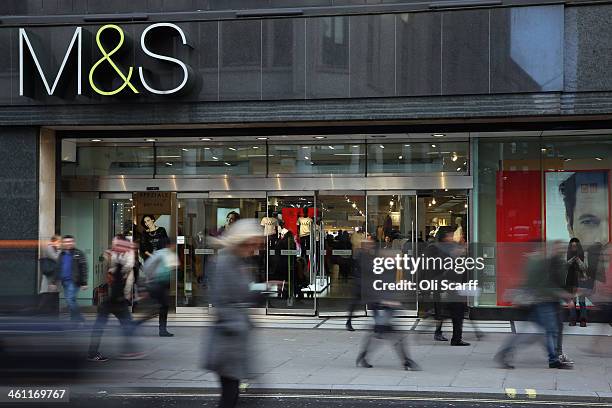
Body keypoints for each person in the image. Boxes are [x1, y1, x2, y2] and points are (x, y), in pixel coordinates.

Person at [203, 219, 266, 408]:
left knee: (233, 393)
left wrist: (264, 289)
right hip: (227, 342)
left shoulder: (237, 261)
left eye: (258, 244)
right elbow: (222, 302)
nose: (255, 249)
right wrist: (240, 321)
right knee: (230, 394)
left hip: (235, 341)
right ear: (242, 240)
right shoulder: (224, 261)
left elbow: (243, 292)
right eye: (252, 244)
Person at [495, 241, 574, 369]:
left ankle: (552, 358)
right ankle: (553, 359)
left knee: (543, 331)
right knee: (546, 331)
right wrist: (563, 294)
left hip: (538, 301)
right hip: (544, 301)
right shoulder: (541, 262)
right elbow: (543, 285)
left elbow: (529, 282)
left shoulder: (533, 261)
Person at [87, 235, 144, 362]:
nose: (114, 245)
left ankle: (129, 351)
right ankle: (94, 352)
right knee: (106, 326)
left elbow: (127, 267)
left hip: (117, 299)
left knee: (126, 325)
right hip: (111, 299)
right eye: (114, 243)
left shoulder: (123, 257)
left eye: (117, 243)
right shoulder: (113, 257)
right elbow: (114, 267)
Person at [424, 226, 470, 346]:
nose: (451, 237)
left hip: (452, 284)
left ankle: (454, 336)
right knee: (444, 309)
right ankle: (440, 331)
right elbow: (433, 266)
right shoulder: (434, 248)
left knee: (453, 310)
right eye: (449, 235)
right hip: (441, 284)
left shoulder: (452, 246)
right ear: (443, 237)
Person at [137, 238, 178, 337]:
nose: (174, 246)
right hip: (158, 284)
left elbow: (147, 266)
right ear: (168, 245)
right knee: (161, 307)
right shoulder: (163, 253)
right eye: (173, 244)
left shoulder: (161, 254)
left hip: (160, 284)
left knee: (161, 307)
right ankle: (137, 325)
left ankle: (162, 329)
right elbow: (148, 267)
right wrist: (152, 277)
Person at [53, 235, 88, 323]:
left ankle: (79, 317)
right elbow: (58, 267)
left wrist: (84, 282)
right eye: (66, 242)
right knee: (72, 300)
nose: (68, 243)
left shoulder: (78, 253)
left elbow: (84, 268)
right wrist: (53, 281)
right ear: (63, 243)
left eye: (70, 241)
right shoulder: (62, 254)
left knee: (69, 299)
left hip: (74, 281)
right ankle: (75, 320)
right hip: (64, 281)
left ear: (73, 242)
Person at [566, 238, 588, 326]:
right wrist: (571, 260)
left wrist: (578, 260)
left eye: (575, 246)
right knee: (572, 300)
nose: (574, 247)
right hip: (571, 279)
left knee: (582, 300)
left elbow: (585, 267)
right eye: (572, 246)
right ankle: (573, 319)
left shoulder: (583, 254)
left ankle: (583, 320)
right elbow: (564, 266)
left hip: (581, 279)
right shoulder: (567, 254)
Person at [38, 235, 61, 316]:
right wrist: (59, 250)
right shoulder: (49, 248)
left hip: (54, 279)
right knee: (46, 298)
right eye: (59, 241)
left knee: (53, 298)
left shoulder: (55, 249)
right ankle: (40, 315)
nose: (60, 243)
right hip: (49, 279)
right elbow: (56, 258)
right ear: (54, 241)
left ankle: (53, 316)